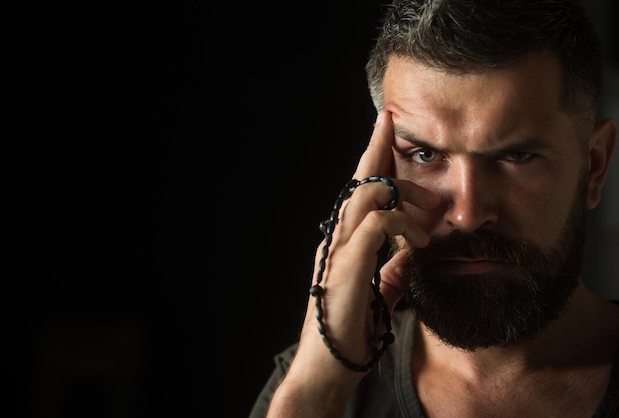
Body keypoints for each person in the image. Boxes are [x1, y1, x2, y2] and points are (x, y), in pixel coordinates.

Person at [249, 0, 619, 416]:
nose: (466, 214)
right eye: (424, 154)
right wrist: (316, 388)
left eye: (515, 157)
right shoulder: (310, 386)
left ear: (595, 168)